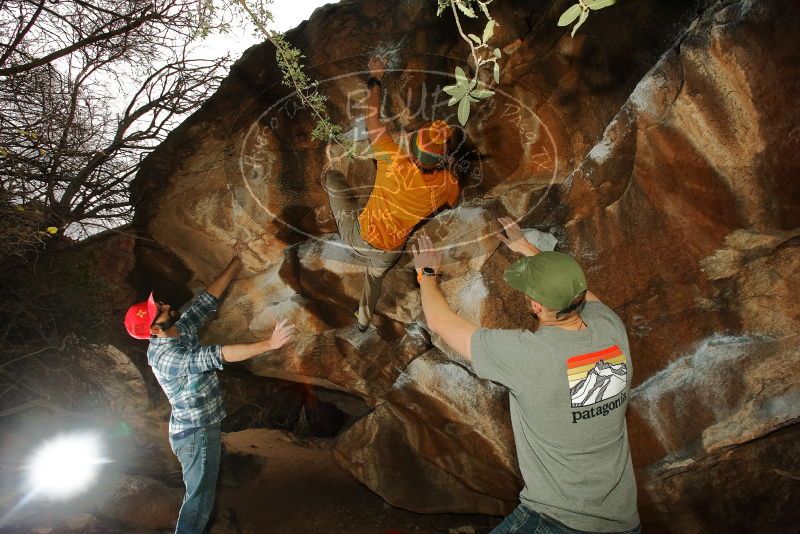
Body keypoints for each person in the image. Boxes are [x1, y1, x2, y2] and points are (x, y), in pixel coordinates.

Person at [411, 218, 640, 534]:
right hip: (623, 522)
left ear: (535, 305)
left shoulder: (528, 355)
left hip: (556, 520)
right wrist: (527, 248)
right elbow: (584, 297)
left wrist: (426, 274)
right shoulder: (612, 329)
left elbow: (440, 320)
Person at [123, 243, 296, 534]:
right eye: (158, 310)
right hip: (196, 434)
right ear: (154, 329)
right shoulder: (168, 356)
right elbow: (220, 354)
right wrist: (270, 344)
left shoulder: (177, 329)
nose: (163, 304)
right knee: (199, 500)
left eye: (158, 305)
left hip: (201, 427)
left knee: (202, 494)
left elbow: (207, 300)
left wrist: (236, 262)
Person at [324, 55, 460, 331]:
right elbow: (453, 199)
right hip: (390, 251)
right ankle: (363, 318)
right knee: (374, 278)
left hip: (359, 237)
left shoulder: (392, 158)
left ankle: (338, 213)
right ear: (441, 158)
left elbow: (371, 117)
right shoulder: (446, 184)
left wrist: (376, 77)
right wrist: (450, 169)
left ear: (412, 147)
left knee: (332, 178)